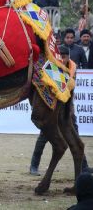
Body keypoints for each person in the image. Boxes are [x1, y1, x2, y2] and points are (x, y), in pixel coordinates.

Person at [29, 46, 92, 176]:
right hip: (51, 108)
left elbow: (69, 90)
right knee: (44, 137)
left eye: (64, 57)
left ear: (69, 57)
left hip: (66, 107)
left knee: (74, 137)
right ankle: (34, 165)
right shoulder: (52, 66)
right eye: (60, 57)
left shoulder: (71, 67)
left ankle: (84, 166)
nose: (62, 60)